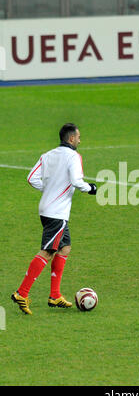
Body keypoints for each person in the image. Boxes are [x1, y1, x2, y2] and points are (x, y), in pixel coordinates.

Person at [11, 123, 97, 315]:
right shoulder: (74, 157)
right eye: (79, 137)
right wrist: (91, 188)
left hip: (47, 208)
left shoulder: (47, 155)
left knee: (64, 247)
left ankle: (55, 295)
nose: (80, 140)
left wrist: (49, 190)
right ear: (72, 138)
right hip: (56, 212)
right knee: (48, 251)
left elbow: (31, 178)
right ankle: (21, 293)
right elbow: (76, 181)